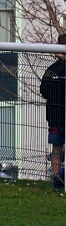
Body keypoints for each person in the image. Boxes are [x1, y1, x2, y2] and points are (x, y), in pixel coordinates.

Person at [39, 33, 66, 190]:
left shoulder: (51, 70)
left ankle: (57, 179)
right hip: (57, 114)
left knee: (56, 147)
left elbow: (44, 90)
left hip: (55, 115)